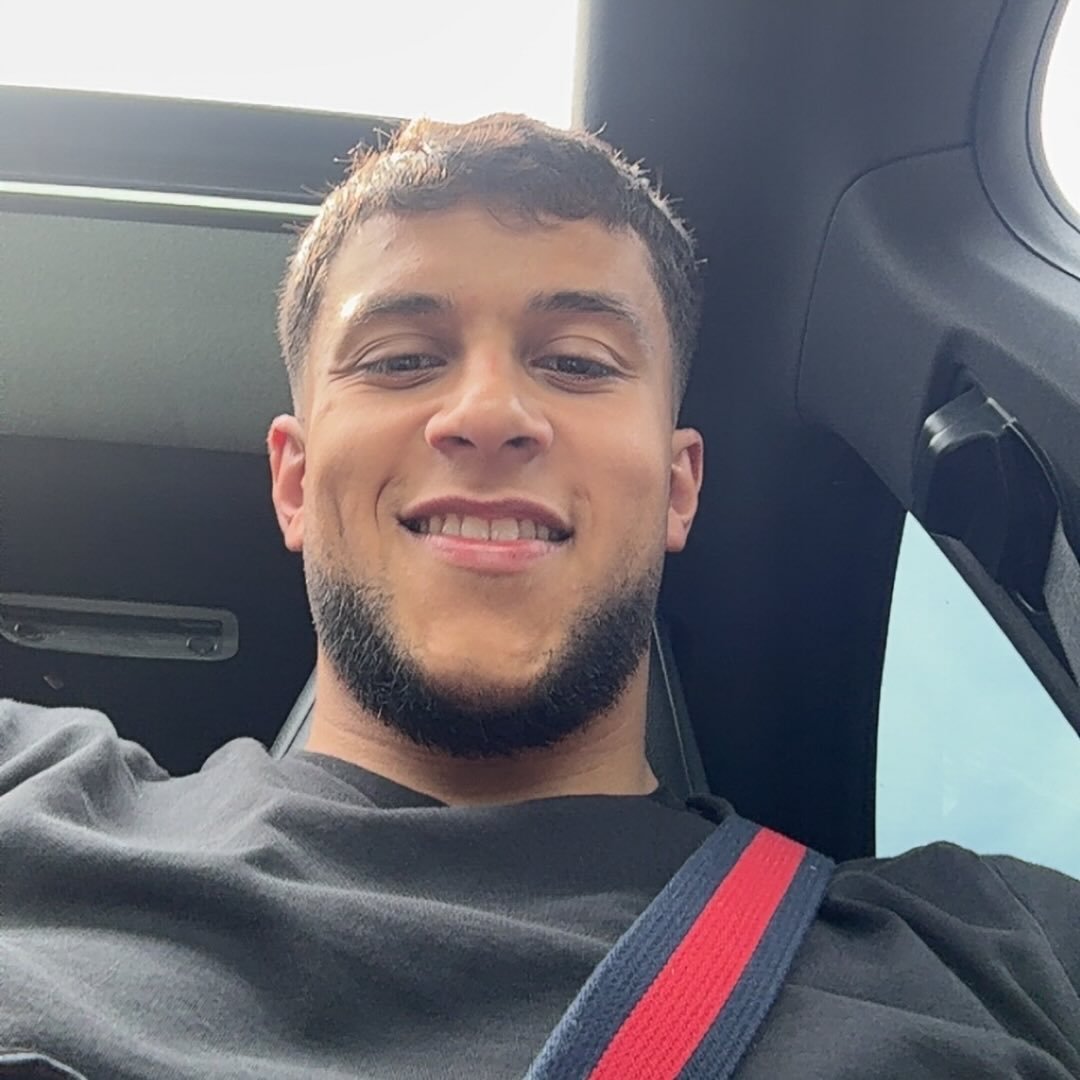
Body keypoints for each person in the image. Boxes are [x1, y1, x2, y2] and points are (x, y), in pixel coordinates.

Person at [0, 114, 1077, 1080]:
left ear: (678, 487)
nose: (487, 413)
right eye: (402, 359)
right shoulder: (30, 793)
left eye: (577, 362)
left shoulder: (998, 958)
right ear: (293, 480)